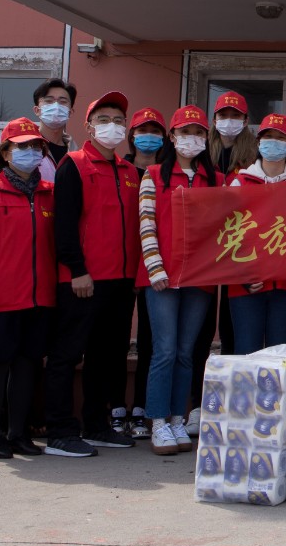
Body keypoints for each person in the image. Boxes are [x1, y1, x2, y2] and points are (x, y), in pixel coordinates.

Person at [47, 90, 141, 457]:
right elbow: (64, 225)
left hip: (121, 281)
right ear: (88, 127)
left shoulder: (130, 172)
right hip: (83, 280)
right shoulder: (73, 165)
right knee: (67, 354)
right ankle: (59, 431)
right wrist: (77, 270)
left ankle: (97, 425)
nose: (112, 126)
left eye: (118, 121)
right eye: (104, 120)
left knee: (108, 356)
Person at [0, 117, 57, 459]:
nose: (30, 152)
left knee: (28, 365)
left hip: (39, 296)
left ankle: (18, 434)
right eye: (21, 147)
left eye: (35, 146)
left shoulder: (49, 194)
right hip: (0, 296)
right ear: (4, 153)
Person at [137, 106, 217, 456]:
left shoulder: (215, 179)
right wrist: (155, 267)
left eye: (198, 133)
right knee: (165, 351)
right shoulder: (154, 174)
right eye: (185, 133)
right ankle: (158, 420)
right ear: (172, 137)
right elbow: (146, 222)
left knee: (186, 352)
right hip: (163, 278)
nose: (191, 139)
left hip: (200, 279)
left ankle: (177, 419)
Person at [190, 90, 255, 426]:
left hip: (240, 251)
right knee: (199, 330)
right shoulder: (200, 154)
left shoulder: (255, 156)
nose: (229, 121)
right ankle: (195, 404)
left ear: (245, 121)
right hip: (204, 250)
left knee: (232, 328)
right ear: (214, 120)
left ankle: (230, 404)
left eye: (236, 116)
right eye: (224, 115)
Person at [228, 114, 286, 353]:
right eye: (268, 137)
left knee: (280, 355)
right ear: (258, 142)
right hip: (245, 285)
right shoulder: (239, 183)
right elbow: (226, 234)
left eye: (280, 138)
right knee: (246, 353)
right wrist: (242, 274)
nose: (273, 142)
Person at [120, 106, 166, 441]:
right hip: (121, 267)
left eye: (155, 131)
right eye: (142, 130)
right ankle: (114, 409)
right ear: (132, 136)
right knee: (116, 341)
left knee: (151, 342)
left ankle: (141, 408)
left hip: (156, 269)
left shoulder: (167, 173)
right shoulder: (119, 170)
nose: (148, 136)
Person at [0, 77, 77, 181]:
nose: (56, 106)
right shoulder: (16, 147)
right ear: (37, 110)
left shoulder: (77, 153)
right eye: (49, 101)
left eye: (62, 101)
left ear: (70, 112)